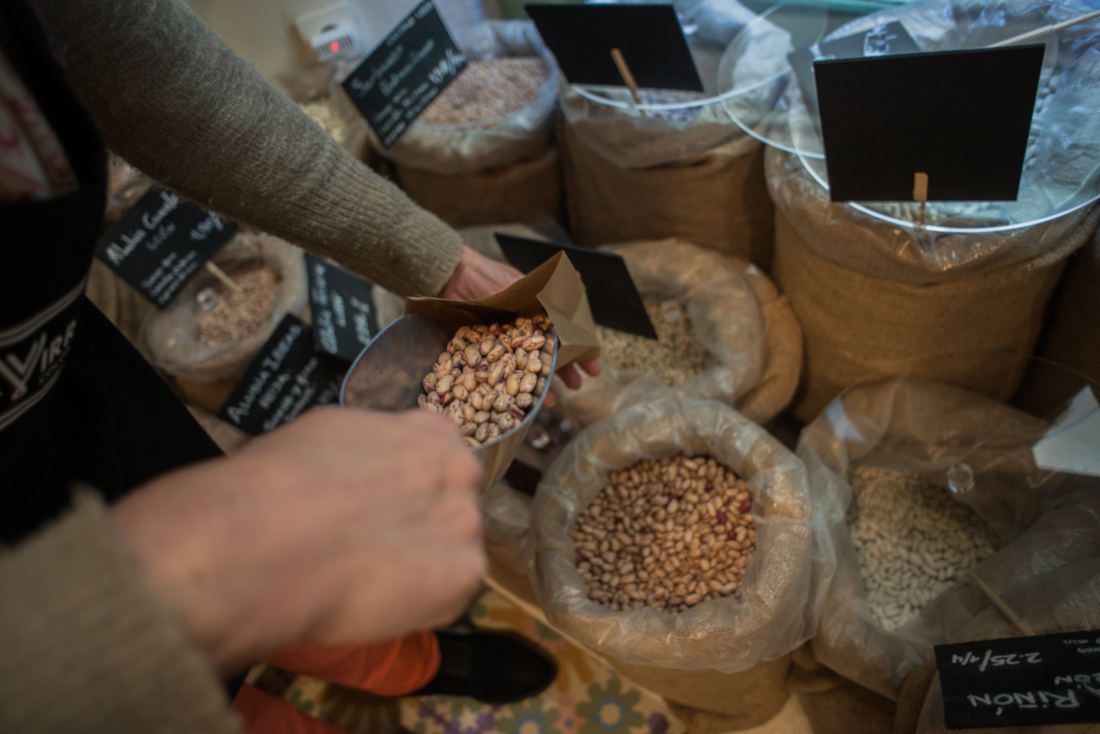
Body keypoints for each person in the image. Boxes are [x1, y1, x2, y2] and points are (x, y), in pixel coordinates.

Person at [0, 0, 598, 731]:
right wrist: (170, 580)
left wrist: (436, 259)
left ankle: (425, 665)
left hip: (68, 385)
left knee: (310, 604)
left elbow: (145, 66)